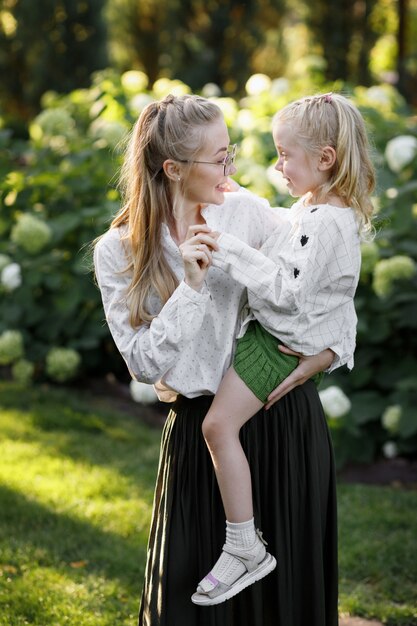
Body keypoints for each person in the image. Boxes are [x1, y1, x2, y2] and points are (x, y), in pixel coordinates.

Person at [93, 92, 338, 626]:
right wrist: (192, 287)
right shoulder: (119, 252)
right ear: (174, 168)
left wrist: (331, 351)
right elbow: (141, 363)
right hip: (199, 435)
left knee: (283, 607)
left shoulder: (248, 213)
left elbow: (322, 283)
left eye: (231, 151)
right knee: (188, 606)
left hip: (280, 422)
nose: (232, 167)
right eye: (220, 157)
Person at [192, 92, 376, 606]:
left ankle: (243, 546)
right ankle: (243, 543)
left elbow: (290, 291)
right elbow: (289, 239)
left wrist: (226, 247)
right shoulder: (318, 209)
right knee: (221, 426)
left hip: (276, 348)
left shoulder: (326, 222)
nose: (279, 165)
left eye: (285, 154)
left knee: (216, 425)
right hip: (278, 343)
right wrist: (241, 196)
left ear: (325, 159)